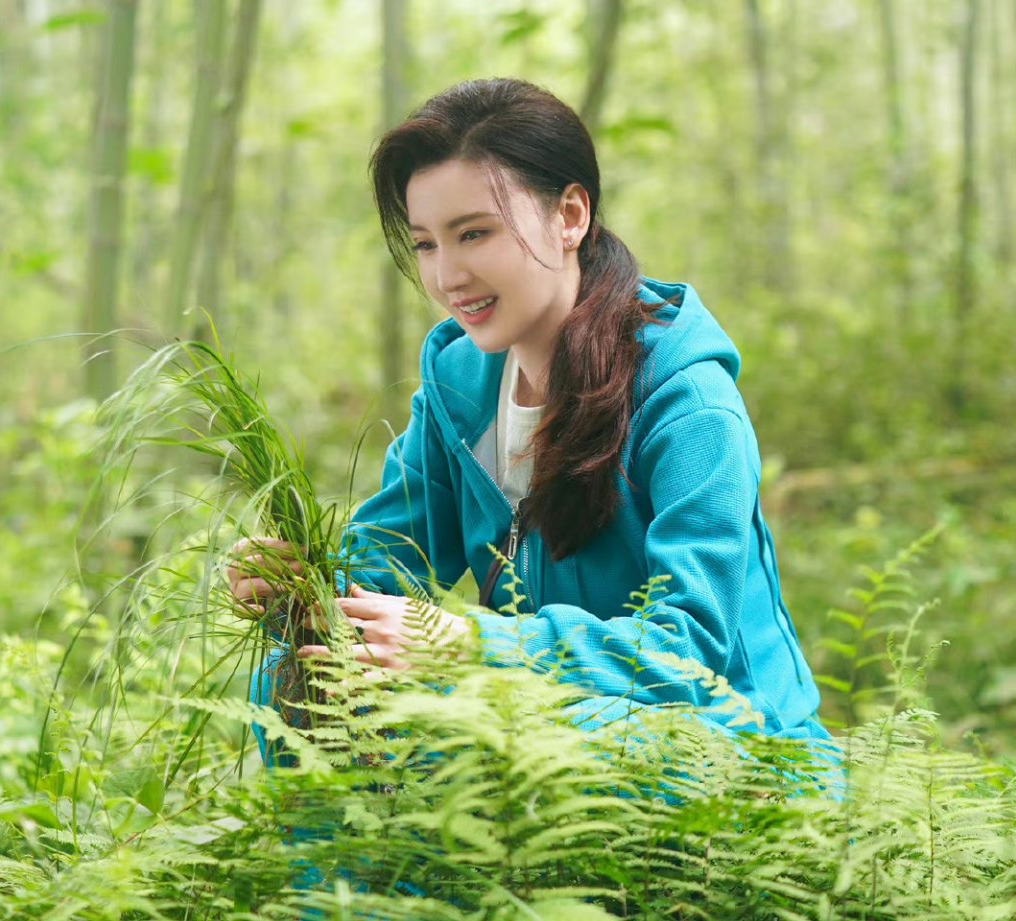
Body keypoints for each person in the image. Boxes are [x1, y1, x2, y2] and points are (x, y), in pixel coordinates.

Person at [227, 77, 832, 773]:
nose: (449, 275)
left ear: (570, 215)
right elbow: (377, 576)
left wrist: (473, 647)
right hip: (557, 724)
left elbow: (691, 650)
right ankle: (334, 885)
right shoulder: (459, 392)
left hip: (736, 747)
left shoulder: (689, 403)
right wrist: (297, 590)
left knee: (556, 738)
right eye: (425, 244)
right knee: (298, 680)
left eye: (475, 233)